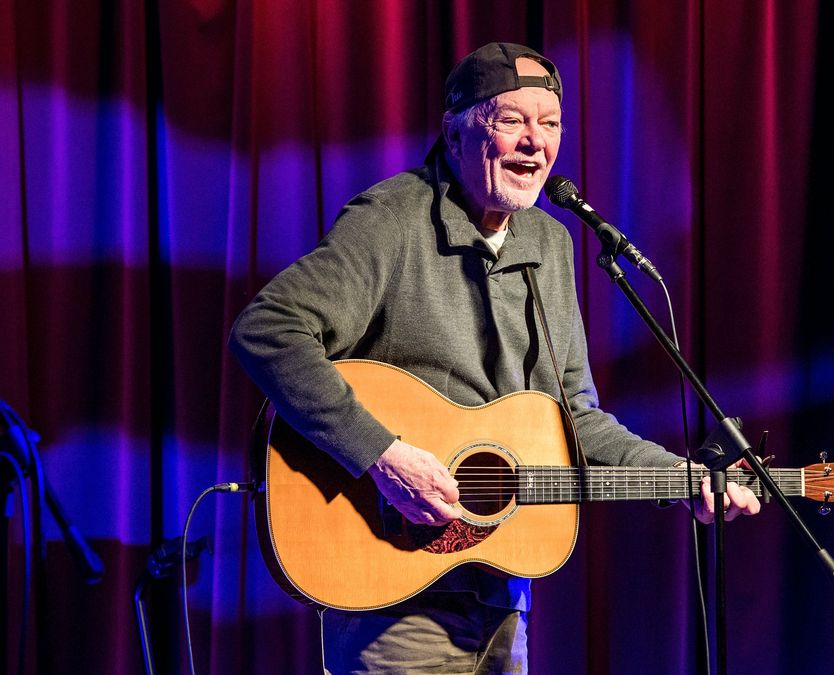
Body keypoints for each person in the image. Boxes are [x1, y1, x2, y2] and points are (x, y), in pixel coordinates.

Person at [229, 42, 760, 674]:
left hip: (503, 595)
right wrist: (382, 454)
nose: (536, 142)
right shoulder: (392, 221)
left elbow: (576, 421)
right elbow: (269, 328)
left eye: (551, 123)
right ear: (455, 131)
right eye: (512, 121)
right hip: (393, 595)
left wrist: (682, 478)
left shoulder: (550, 243)